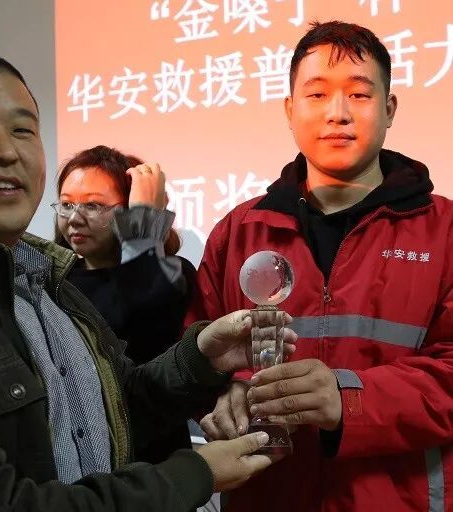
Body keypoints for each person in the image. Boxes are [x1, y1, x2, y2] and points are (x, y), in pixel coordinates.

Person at [0, 48, 297, 511]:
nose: (6, 151)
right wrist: (190, 475)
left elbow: (109, 411)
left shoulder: (45, 285)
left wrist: (200, 357)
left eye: (23, 130)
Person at [188, 21, 453, 512]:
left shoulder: (446, 231)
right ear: (290, 110)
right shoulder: (238, 232)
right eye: (317, 94)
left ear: (390, 109)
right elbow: (194, 358)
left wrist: (347, 398)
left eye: (359, 94)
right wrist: (225, 394)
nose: (338, 112)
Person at [53, 145, 196, 463]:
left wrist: (144, 224)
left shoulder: (173, 273)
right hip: (81, 455)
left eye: (93, 205)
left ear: (130, 209)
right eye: (66, 205)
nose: (74, 219)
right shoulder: (54, 281)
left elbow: (135, 314)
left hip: (156, 457)